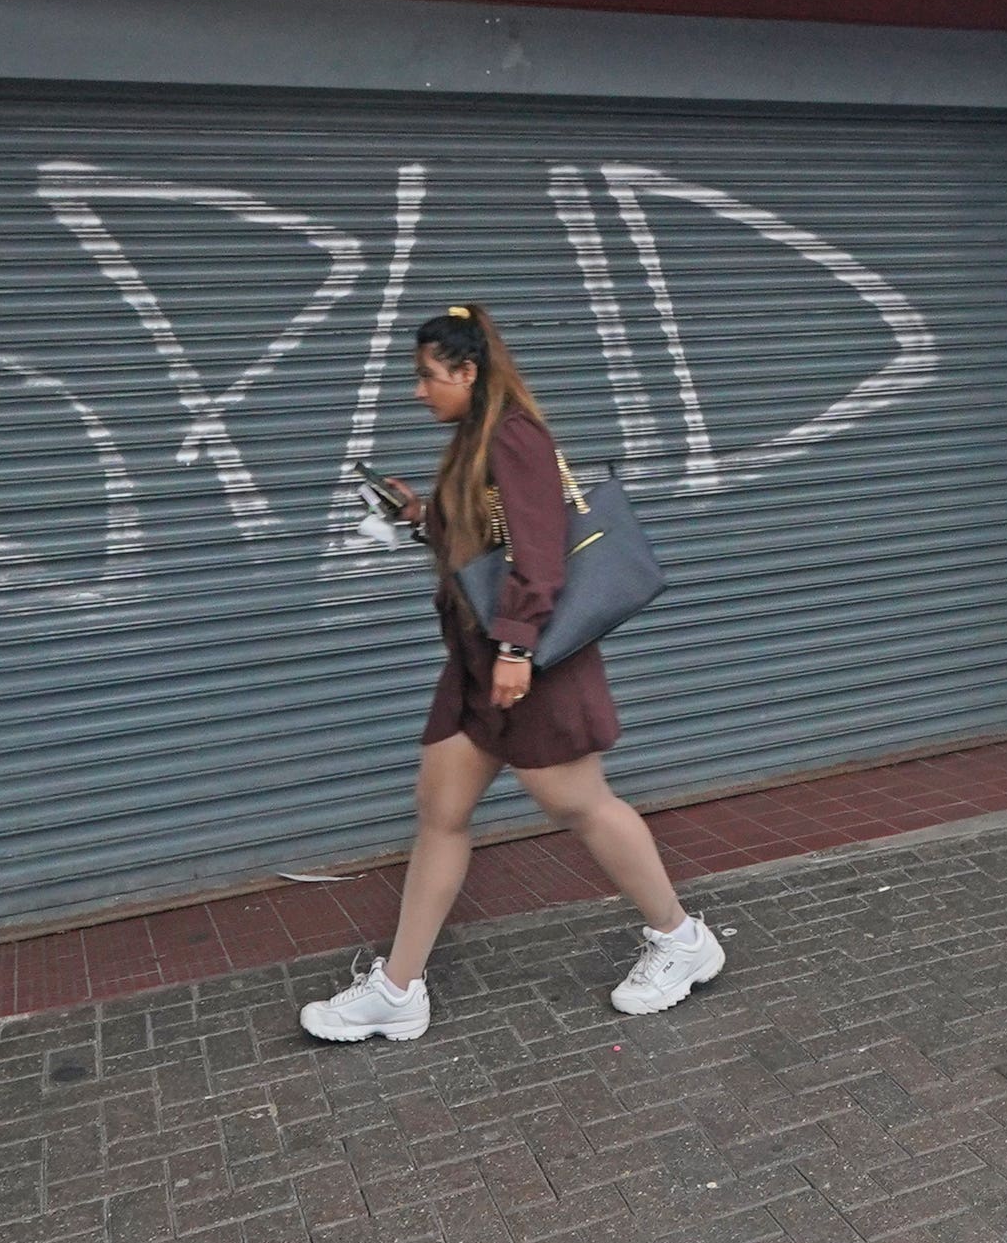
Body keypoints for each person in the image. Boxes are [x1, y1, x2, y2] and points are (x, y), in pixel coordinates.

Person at [300, 306, 727, 1042]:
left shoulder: (516, 437)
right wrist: (416, 513)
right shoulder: (476, 438)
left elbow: (538, 552)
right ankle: (399, 989)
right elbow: (485, 532)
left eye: (427, 377)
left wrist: (517, 648)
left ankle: (682, 940)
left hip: (526, 665)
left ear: (468, 372)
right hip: (481, 663)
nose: (418, 392)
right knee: (441, 809)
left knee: (579, 802)